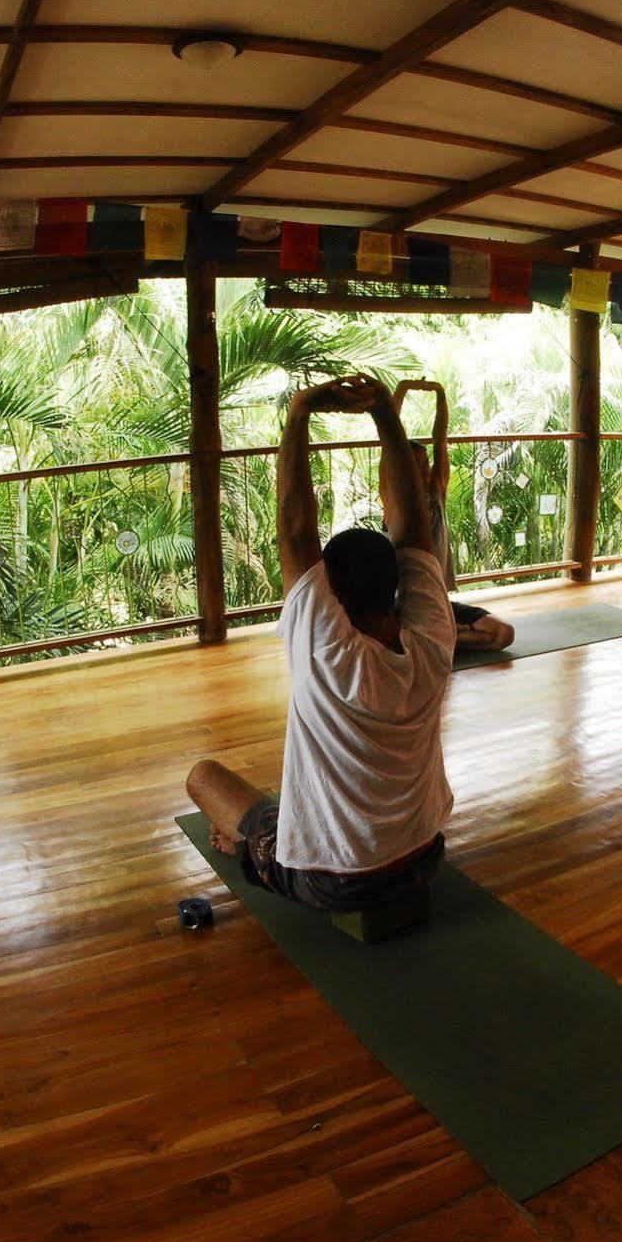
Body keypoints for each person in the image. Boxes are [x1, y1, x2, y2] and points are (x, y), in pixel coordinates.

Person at [186, 375, 454, 911]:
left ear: (328, 589)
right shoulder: (433, 639)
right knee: (281, 805)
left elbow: (293, 523)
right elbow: (411, 525)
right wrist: (384, 413)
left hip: (338, 881)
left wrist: (300, 412)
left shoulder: (326, 651)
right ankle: (261, 836)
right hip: (426, 852)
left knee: (204, 779)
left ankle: (250, 847)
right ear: (396, 585)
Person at [384, 380, 515, 653]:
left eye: (426, 465)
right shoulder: (393, 502)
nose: (425, 471)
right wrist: (403, 389)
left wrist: (441, 395)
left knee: (503, 634)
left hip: (439, 602)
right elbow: (388, 435)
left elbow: (440, 438)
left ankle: (441, 638)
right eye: (416, 466)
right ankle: (442, 636)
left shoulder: (437, 494)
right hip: (406, 606)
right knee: (408, 634)